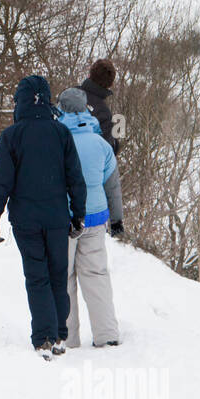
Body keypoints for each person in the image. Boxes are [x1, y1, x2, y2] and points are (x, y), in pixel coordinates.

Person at [0, 75, 87, 359]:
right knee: (58, 274)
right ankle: (58, 336)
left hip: (26, 220)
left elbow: (1, 182)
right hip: (56, 217)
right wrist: (77, 214)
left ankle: (43, 337)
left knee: (36, 276)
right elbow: (74, 178)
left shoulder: (11, 136)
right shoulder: (61, 133)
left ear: (20, 101)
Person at [57, 87, 124, 348]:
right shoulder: (101, 144)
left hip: (64, 220)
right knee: (96, 274)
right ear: (86, 109)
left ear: (60, 109)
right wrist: (116, 219)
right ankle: (107, 335)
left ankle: (68, 338)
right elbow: (113, 186)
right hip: (95, 219)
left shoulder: (58, 142)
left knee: (63, 277)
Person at [79, 58, 120, 155]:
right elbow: (103, 151)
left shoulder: (68, 94)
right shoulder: (104, 113)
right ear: (110, 84)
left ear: (89, 74)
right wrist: (115, 145)